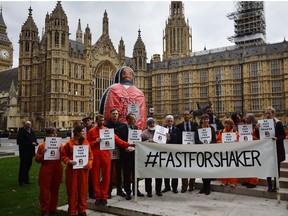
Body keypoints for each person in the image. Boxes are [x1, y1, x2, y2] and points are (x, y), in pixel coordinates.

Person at [87, 114, 133, 205]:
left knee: (107, 176)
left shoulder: (107, 131)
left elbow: (118, 140)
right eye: (100, 120)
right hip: (95, 155)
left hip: (106, 155)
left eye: (103, 120)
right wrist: (95, 142)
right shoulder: (91, 131)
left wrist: (129, 144)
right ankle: (97, 196)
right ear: (96, 121)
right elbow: (87, 143)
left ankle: (104, 196)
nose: (102, 122)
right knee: (95, 176)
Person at [99, 66, 147, 130]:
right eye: (124, 73)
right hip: (119, 129)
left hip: (129, 130)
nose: (127, 75)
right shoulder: (139, 93)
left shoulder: (112, 89)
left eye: (130, 74)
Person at [61, 125, 93, 216]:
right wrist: (68, 161)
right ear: (77, 132)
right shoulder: (69, 143)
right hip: (72, 171)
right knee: (72, 191)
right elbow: (63, 155)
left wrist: (88, 165)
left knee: (83, 190)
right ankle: (72, 211)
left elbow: (90, 156)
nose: (84, 133)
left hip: (83, 170)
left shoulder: (86, 142)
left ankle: (82, 210)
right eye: (82, 131)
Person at [35, 128, 63, 216]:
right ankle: (45, 210)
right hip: (46, 169)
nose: (55, 135)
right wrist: (43, 154)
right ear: (47, 135)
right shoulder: (42, 145)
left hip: (57, 169)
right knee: (45, 190)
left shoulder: (60, 145)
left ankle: (53, 208)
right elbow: (37, 159)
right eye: (53, 134)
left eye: (55, 134)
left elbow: (64, 155)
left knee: (55, 190)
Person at [116, 113, 145, 200]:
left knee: (135, 173)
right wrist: (125, 148)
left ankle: (136, 190)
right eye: (132, 119)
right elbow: (118, 142)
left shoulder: (136, 128)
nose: (134, 121)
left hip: (135, 155)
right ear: (128, 120)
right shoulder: (121, 129)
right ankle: (128, 192)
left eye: (135, 119)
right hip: (126, 155)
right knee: (127, 174)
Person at [260, 106, 286, 192]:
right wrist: (257, 128)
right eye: (266, 113)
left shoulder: (278, 123)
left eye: (269, 113)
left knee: (276, 168)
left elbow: (283, 135)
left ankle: (276, 185)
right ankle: (269, 186)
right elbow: (260, 135)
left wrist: (277, 138)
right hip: (267, 149)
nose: (267, 115)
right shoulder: (262, 123)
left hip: (276, 149)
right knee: (268, 168)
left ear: (273, 114)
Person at [104, 109, 126, 199]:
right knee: (108, 171)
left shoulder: (122, 125)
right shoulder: (105, 125)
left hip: (119, 150)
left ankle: (119, 189)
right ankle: (108, 190)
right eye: (113, 114)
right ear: (110, 115)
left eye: (116, 114)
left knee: (119, 171)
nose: (115, 115)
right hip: (109, 151)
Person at [194, 114, 216, 195]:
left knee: (208, 170)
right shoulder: (198, 128)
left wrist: (209, 144)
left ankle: (208, 188)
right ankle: (204, 186)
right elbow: (196, 140)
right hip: (201, 151)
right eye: (204, 119)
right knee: (203, 170)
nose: (206, 120)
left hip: (209, 151)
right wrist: (202, 145)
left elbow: (214, 139)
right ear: (202, 120)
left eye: (207, 119)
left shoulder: (212, 128)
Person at [177, 110, 198, 193]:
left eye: (187, 115)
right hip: (183, 149)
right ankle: (184, 186)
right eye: (184, 115)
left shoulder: (195, 125)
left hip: (193, 149)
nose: (186, 116)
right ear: (183, 116)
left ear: (190, 116)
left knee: (193, 168)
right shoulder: (179, 126)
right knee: (184, 169)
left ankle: (191, 185)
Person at [141, 118, 163, 197]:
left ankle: (158, 190)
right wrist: (147, 141)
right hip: (148, 156)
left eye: (153, 122)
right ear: (148, 124)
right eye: (150, 123)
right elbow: (141, 143)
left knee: (159, 174)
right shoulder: (144, 134)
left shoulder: (160, 132)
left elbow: (165, 142)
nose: (152, 124)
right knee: (148, 175)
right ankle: (149, 191)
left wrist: (168, 137)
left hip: (158, 155)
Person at [216, 118, 239, 188]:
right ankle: (224, 181)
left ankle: (233, 182)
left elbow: (238, 141)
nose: (226, 125)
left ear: (231, 125)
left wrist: (236, 142)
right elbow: (217, 141)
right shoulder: (221, 132)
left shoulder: (235, 132)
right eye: (225, 123)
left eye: (228, 123)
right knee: (224, 167)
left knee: (233, 167)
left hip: (233, 152)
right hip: (224, 152)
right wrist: (219, 142)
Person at [162, 115, 181, 194]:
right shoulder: (162, 129)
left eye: (171, 121)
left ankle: (174, 187)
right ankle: (167, 186)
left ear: (173, 122)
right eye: (168, 121)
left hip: (174, 153)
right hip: (165, 152)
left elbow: (179, 140)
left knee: (174, 171)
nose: (169, 122)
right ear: (166, 122)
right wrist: (167, 139)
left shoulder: (177, 129)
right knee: (166, 170)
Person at [17, 120, 39, 186]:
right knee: (23, 167)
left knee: (28, 166)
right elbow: (20, 142)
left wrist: (36, 143)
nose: (28, 126)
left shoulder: (31, 131)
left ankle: (26, 180)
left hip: (30, 152)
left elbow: (34, 139)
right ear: (24, 125)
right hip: (24, 152)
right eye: (27, 124)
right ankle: (21, 181)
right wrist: (31, 143)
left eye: (29, 124)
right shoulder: (21, 131)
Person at [241, 113, 259, 188]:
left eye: (247, 118)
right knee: (246, 165)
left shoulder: (256, 128)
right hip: (246, 147)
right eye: (245, 118)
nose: (246, 119)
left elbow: (259, 139)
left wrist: (252, 136)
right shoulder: (244, 127)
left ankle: (253, 182)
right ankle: (247, 180)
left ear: (251, 119)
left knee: (252, 166)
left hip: (253, 148)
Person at [82, 116, 95, 199]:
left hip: (91, 154)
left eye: (88, 121)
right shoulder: (81, 130)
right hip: (82, 154)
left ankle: (91, 192)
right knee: (83, 176)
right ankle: (84, 193)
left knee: (92, 175)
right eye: (85, 121)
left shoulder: (93, 130)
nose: (87, 122)